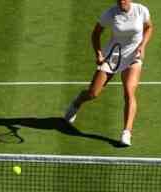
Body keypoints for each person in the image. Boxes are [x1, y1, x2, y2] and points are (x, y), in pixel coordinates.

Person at [63, 0, 153, 147]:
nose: (121, 2)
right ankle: (77, 102)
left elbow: (149, 27)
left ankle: (126, 132)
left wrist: (143, 46)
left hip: (133, 57)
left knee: (129, 92)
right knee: (93, 93)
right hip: (112, 55)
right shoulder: (110, 13)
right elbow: (96, 33)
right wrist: (98, 53)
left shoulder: (141, 10)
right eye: (118, 0)